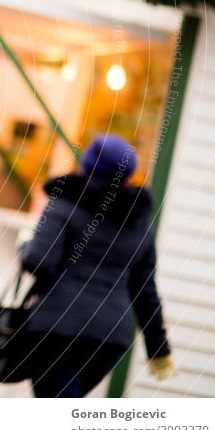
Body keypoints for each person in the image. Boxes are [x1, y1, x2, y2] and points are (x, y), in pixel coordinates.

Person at [19, 135, 176, 397]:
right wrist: (158, 348)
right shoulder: (140, 223)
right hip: (110, 337)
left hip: (57, 327)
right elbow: (144, 289)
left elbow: (39, 262)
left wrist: (24, 243)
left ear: (88, 164)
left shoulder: (63, 204)